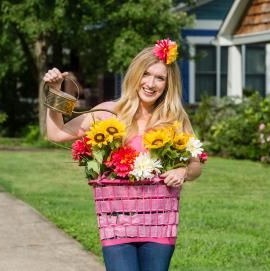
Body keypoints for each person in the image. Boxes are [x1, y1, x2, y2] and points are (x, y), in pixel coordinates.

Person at [44, 38, 202, 271]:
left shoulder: (174, 119)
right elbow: (56, 133)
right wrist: (55, 92)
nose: (151, 83)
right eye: (146, 74)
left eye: (160, 78)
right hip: (116, 221)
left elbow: (196, 165)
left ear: (168, 85)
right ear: (135, 75)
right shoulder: (108, 112)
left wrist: (182, 170)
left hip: (159, 222)